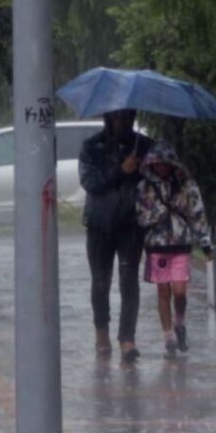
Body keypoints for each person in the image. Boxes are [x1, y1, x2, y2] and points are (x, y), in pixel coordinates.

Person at [79, 109, 154, 362]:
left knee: (128, 279)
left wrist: (144, 170)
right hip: (99, 224)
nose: (121, 121)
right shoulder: (91, 147)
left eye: (125, 116)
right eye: (116, 116)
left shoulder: (144, 146)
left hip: (131, 224)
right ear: (108, 118)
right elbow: (91, 182)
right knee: (101, 281)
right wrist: (121, 170)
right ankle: (101, 332)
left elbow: (157, 181)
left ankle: (127, 338)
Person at [135, 141, 212, 357]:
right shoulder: (144, 188)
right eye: (157, 163)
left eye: (165, 163)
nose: (161, 167)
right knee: (162, 292)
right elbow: (140, 217)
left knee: (179, 292)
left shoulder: (186, 185)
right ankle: (168, 337)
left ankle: (180, 323)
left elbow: (197, 214)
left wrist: (205, 243)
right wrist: (159, 213)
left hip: (181, 244)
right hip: (157, 246)